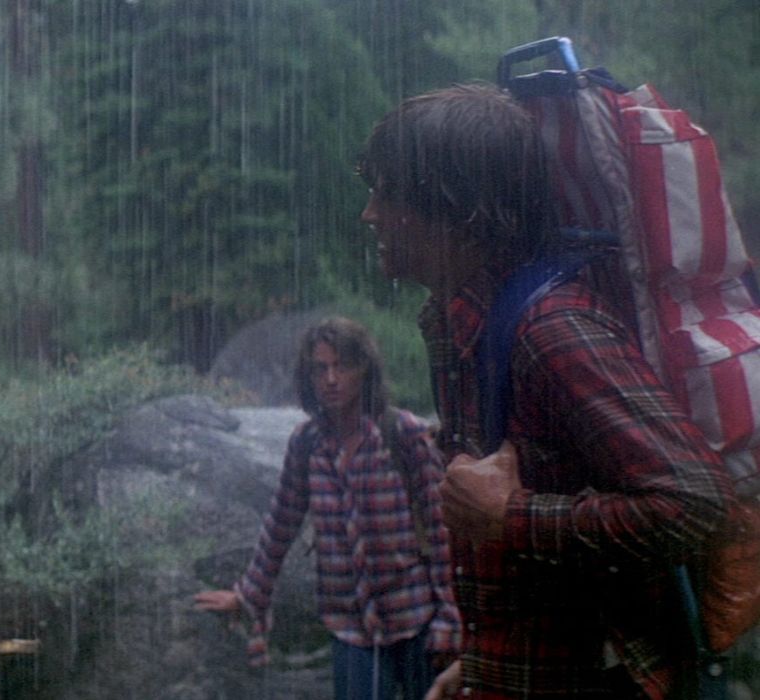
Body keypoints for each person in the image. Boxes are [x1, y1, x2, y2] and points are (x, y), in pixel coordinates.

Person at [357, 82, 733, 699]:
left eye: (388, 192)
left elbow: (698, 506)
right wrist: (483, 664)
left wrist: (513, 517)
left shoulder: (552, 329)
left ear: (460, 210)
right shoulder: (457, 319)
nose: (369, 213)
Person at [195, 316, 460, 700]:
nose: (331, 379)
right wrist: (248, 594)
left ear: (363, 370)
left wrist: (450, 619)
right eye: (321, 368)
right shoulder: (306, 444)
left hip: (415, 615)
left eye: (342, 366)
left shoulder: (402, 433)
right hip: (350, 625)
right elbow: (280, 524)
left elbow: (441, 532)